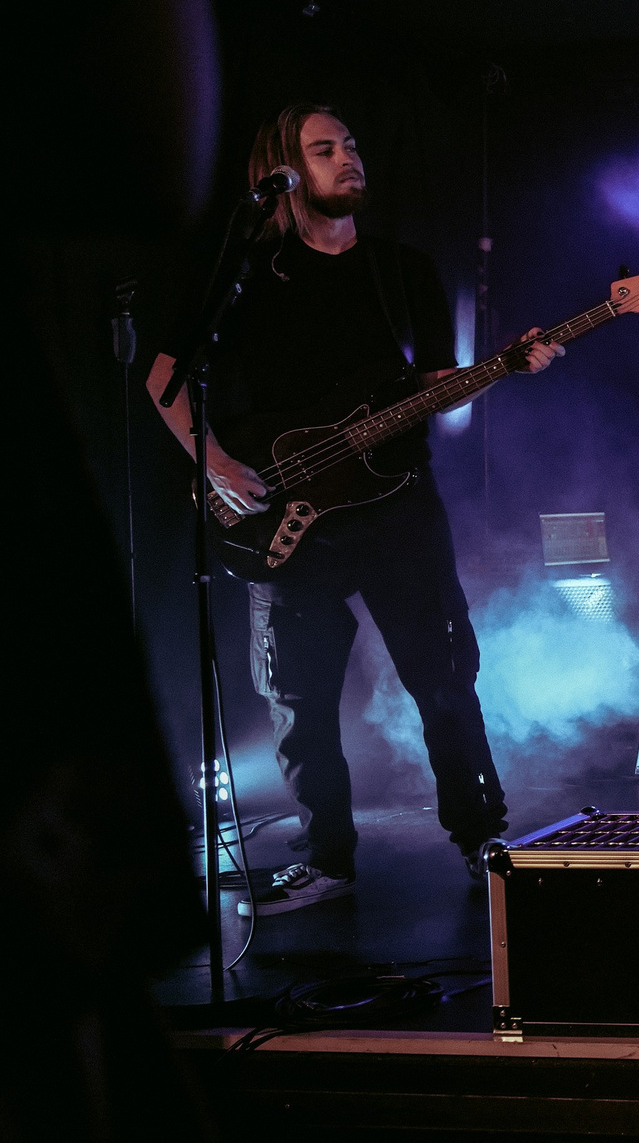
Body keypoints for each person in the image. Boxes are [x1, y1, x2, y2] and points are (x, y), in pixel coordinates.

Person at [143, 104, 562, 913]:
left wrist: (507, 365)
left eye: (354, 145)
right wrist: (219, 463)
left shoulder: (401, 269)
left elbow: (435, 387)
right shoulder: (247, 277)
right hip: (284, 519)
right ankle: (327, 859)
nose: (350, 159)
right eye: (325, 149)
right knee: (297, 700)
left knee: (444, 681)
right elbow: (166, 372)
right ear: (284, 171)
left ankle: (484, 840)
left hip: (398, 506)